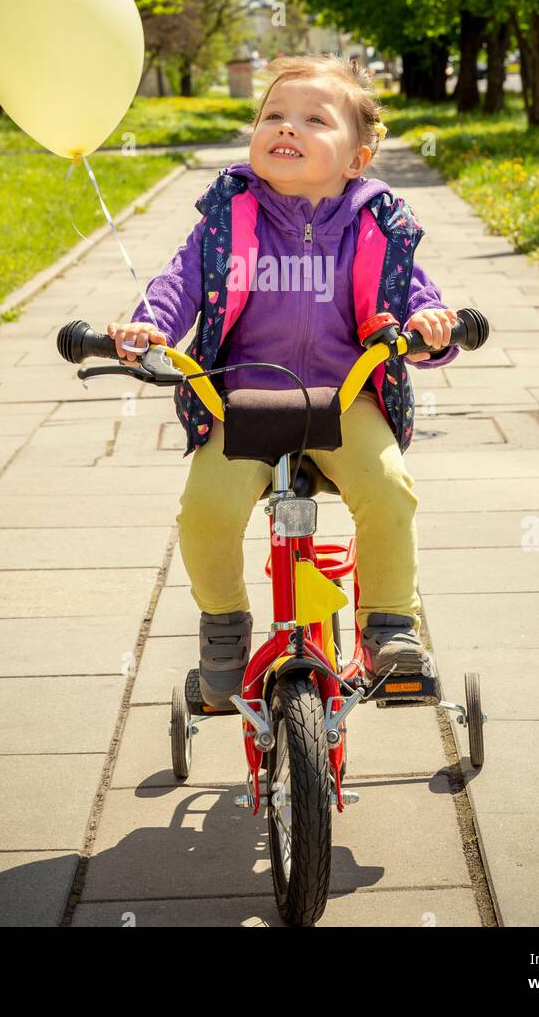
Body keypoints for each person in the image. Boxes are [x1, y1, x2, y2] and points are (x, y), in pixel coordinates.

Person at [106, 54, 459, 707]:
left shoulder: (374, 225)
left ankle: (389, 627)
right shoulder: (229, 220)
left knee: (389, 490)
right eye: (273, 115)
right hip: (241, 402)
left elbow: (412, 298)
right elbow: (179, 283)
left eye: (313, 119)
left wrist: (431, 325)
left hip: (344, 399)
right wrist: (147, 329)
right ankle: (223, 625)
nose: (286, 128)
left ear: (357, 157)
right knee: (204, 510)